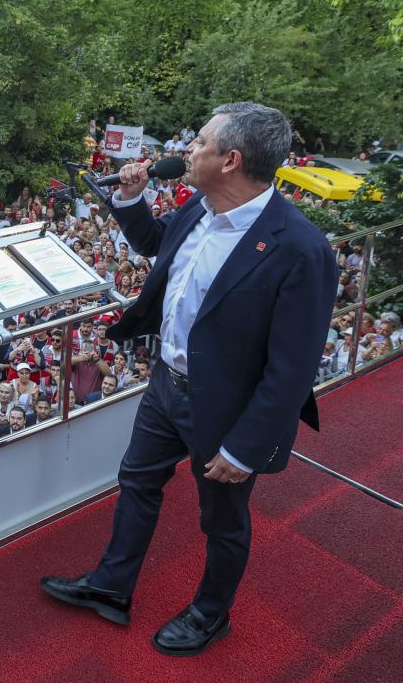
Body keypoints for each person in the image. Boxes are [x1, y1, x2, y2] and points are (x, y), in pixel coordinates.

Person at [42, 103, 338, 656]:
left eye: (199, 142)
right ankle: (111, 586)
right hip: (165, 386)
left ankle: (210, 613)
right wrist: (129, 199)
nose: (185, 152)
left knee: (221, 521)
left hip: (226, 409)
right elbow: (157, 242)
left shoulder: (301, 250)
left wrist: (247, 447)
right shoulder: (199, 208)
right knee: (136, 483)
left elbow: (292, 367)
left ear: (230, 160)